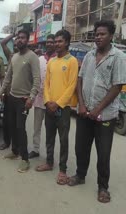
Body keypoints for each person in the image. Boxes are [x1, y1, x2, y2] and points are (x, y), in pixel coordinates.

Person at [68, 20, 126, 203]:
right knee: (81, 148)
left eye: (102, 34)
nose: (98, 37)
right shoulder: (89, 55)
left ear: (111, 36)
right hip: (85, 113)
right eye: (96, 34)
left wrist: (97, 110)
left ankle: (103, 187)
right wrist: (83, 106)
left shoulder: (118, 57)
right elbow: (80, 80)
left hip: (105, 116)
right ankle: (80, 175)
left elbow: (117, 86)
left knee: (103, 153)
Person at [35, 30, 78, 185]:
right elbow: (46, 83)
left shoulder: (72, 61)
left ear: (67, 42)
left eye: (60, 41)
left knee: (63, 139)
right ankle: (49, 162)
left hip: (63, 108)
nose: (57, 44)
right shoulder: (52, 61)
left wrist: (57, 103)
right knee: (49, 136)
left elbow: (72, 86)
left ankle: (63, 170)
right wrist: (47, 101)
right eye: (56, 41)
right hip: (49, 106)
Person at [0, 30, 40, 171]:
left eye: (22, 38)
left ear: (27, 40)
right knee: (11, 125)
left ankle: (25, 159)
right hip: (11, 98)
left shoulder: (32, 57)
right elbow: (8, 77)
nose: (19, 40)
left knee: (21, 128)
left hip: (23, 99)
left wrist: (31, 98)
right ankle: (15, 151)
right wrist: (0, 92)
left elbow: (37, 79)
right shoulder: (14, 57)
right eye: (18, 38)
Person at [29, 34, 56, 159]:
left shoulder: (58, 60)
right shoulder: (39, 59)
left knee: (50, 130)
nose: (50, 44)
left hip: (52, 101)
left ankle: (49, 154)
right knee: (37, 127)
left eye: (52, 42)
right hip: (39, 99)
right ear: (45, 44)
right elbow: (34, 77)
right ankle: (35, 149)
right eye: (48, 42)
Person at [0, 31, 19, 150]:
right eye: (14, 45)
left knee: (18, 123)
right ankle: (6, 142)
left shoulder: (28, 57)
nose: (16, 47)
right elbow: (3, 42)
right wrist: (14, 34)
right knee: (6, 120)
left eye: (17, 45)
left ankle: (16, 145)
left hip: (20, 95)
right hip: (8, 94)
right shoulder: (10, 56)